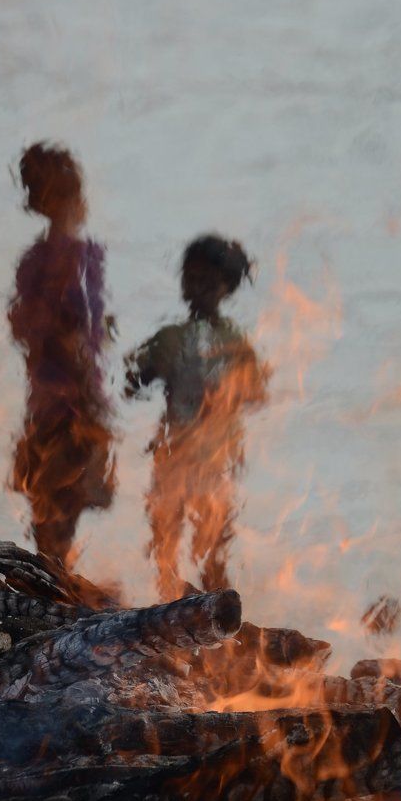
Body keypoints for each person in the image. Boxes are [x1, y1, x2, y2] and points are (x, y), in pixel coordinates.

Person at [125, 235, 269, 599]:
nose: (198, 286)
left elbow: (257, 393)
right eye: (192, 277)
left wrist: (229, 392)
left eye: (209, 280)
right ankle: (170, 613)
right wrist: (134, 371)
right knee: (166, 543)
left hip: (217, 459)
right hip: (173, 455)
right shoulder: (170, 338)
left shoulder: (236, 342)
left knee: (214, 551)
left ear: (227, 287)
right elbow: (134, 382)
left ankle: (217, 625)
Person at [8, 142, 115, 564]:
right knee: (62, 503)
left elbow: (25, 328)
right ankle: (56, 581)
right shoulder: (74, 259)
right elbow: (72, 332)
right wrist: (92, 397)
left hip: (45, 401)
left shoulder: (34, 260)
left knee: (52, 507)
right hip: (71, 404)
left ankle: (53, 578)